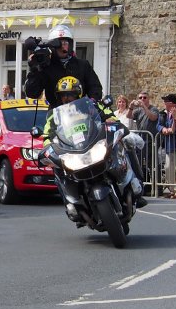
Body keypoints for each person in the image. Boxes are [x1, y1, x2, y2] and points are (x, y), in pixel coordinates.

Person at [41, 77, 147, 208]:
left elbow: (109, 115)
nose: (67, 98)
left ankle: (136, 183)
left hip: (94, 142)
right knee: (57, 167)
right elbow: (47, 135)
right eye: (63, 95)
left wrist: (111, 121)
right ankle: (71, 203)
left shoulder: (91, 105)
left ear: (78, 93)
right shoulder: (55, 116)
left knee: (125, 142)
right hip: (72, 150)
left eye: (70, 94)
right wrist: (47, 146)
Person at [23, 25, 102, 105]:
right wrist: (35, 70)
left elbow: (95, 87)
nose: (62, 47)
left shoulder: (82, 65)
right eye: (59, 44)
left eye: (65, 43)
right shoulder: (47, 67)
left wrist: (92, 102)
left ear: (70, 45)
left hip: (80, 112)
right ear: (52, 46)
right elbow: (32, 93)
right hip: (56, 113)